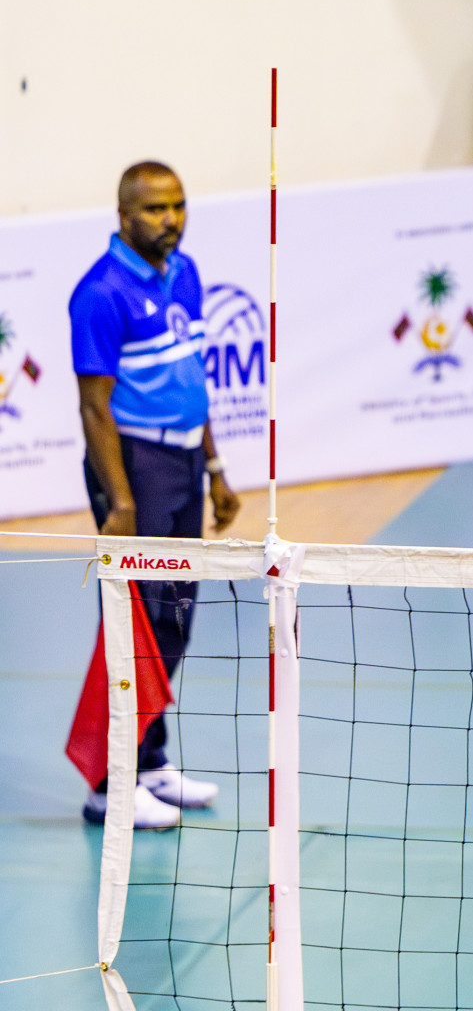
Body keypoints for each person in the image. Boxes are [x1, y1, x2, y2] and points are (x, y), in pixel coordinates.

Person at [71, 161, 239, 830]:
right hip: (134, 465)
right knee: (134, 624)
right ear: (123, 215)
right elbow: (93, 408)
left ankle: (150, 762)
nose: (170, 219)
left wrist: (216, 467)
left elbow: (191, 376)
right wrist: (120, 501)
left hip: (184, 456)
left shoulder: (187, 273)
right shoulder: (101, 293)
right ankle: (108, 784)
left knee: (173, 617)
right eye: (154, 210)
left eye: (178, 205)